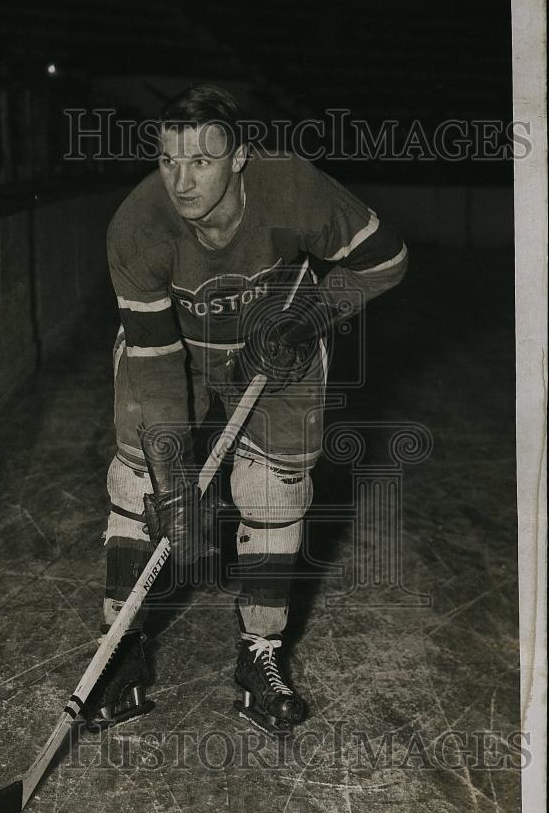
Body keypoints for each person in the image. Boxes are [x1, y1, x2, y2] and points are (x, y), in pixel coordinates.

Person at [83, 84, 409, 735]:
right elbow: (151, 360)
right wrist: (176, 488)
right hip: (175, 346)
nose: (181, 180)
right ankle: (120, 651)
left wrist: (309, 318)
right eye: (168, 160)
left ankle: (257, 654)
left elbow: (386, 261)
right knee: (137, 483)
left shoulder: (292, 190)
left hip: (277, 345)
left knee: (272, 489)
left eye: (201, 161)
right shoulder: (139, 225)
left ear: (238, 157)